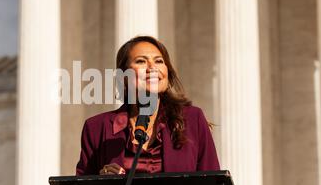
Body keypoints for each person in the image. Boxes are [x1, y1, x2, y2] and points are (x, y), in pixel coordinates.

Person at [76, 36, 220, 176]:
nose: (152, 67)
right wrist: (101, 184)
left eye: (159, 61)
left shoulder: (193, 119)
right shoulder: (96, 128)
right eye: (141, 61)